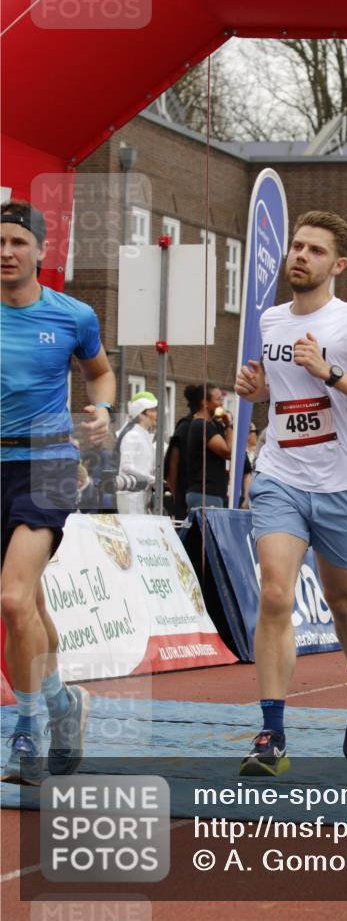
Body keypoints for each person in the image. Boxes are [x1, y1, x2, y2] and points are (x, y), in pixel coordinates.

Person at [234, 209, 347, 775]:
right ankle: (271, 734)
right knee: (277, 594)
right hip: (281, 475)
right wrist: (258, 391)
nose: (300, 257)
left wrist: (331, 375)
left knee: (345, 599)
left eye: (315, 251)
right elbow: (279, 396)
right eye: (297, 247)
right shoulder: (270, 319)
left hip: (342, 482)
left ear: (339, 264)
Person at [1, 199, 115, 784]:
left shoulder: (73, 315)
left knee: (15, 600)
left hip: (47, 461)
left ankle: (27, 731)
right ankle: (64, 705)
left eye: (18, 241)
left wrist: (101, 409)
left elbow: (100, 371)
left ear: (41, 251)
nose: (6, 251)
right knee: (31, 604)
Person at [184, 383, 233, 509]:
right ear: (205, 402)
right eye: (218, 400)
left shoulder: (210, 425)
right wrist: (229, 426)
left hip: (206, 493)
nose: (222, 404)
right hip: (206, 493)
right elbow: (228, 452)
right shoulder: (202, 426)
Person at [115, 391, 158, 514]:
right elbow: (126, 466)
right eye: (152, 410)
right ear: (141, 415)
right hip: (131, 498)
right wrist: (150, 479)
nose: (156, 414)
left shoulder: (143, 434)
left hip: (140, 496)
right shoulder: (132, 435)